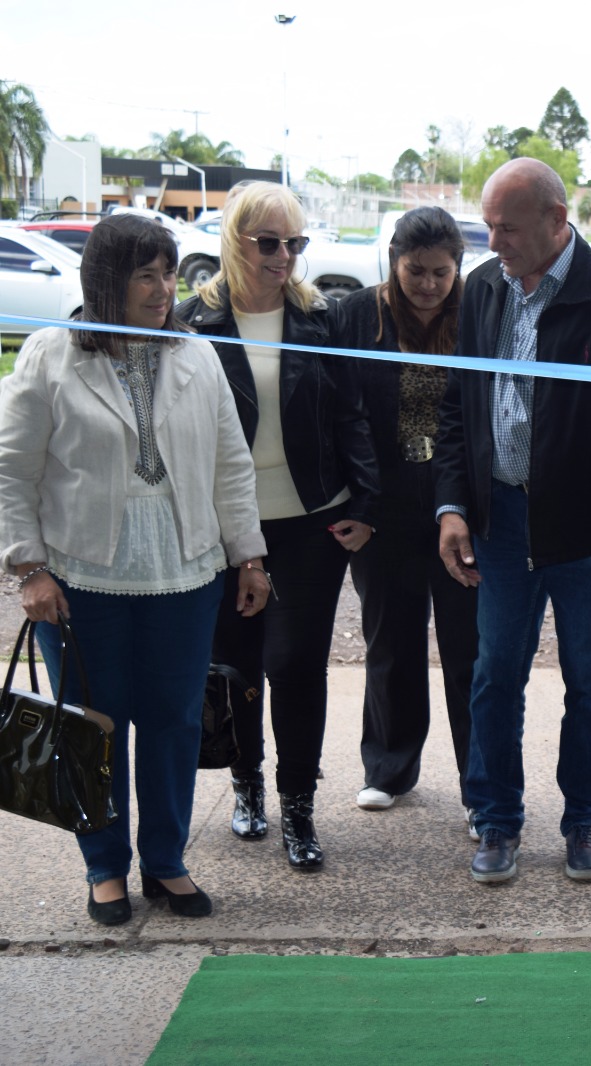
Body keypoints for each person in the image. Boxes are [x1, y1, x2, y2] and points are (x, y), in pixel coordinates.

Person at [0, 213, 271, 924]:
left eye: (170, 273)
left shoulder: (194, 354)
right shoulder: (50, 355)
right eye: (145, 275)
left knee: (175, 721)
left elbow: (230, 465)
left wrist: (248, 554)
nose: (163, 289)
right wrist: (29, 569)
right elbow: (13, 469)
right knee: (95, 725)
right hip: (82, 581)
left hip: (184, 574)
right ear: (105, 280)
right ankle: (104, 868)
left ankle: (167, 862)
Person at [433, 158, 591, 886]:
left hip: (588, 530)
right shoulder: (481, 291)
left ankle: (583, 820)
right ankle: (497, 820)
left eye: (505, 226)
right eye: (487, 224)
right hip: (500, 521)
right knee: (494, 675)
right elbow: (457, 410)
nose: (491, 238)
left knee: (589, 679)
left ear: (555, 218)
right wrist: (452, 507)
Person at [177, 181, 381, 871]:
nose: (285, 256)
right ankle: (247, 785)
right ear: (235, 240)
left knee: (295, 665)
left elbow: (350, 415)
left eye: (295, 242)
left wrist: (365, 504)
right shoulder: (192, 324)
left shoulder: (323, 318)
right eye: (270, 242)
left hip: (311, 522)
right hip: (226, 526)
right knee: (236, 665)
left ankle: (298, 804)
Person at [337, 207, 477, 819]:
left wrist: (463, 507)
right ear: (393, 261)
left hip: (462, 506)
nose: (426, 285)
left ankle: (483, 785)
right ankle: (389, 768)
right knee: (390, 638)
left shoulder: (478, 314)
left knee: (470, 647)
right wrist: (361, 502)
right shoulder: (359, 314)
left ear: (458, 269)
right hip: (382, 505)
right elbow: (345, 412)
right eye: (415, 271)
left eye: (440, 273)